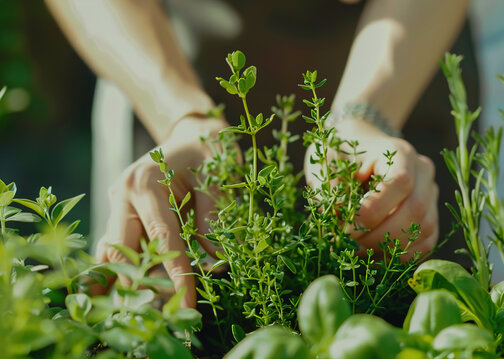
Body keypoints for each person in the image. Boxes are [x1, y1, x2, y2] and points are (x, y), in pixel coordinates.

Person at [44, 0, 471, 308]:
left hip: (412, 52)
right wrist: (182, 117)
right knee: (163, 284)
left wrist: (366, 119)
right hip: (162, 53)